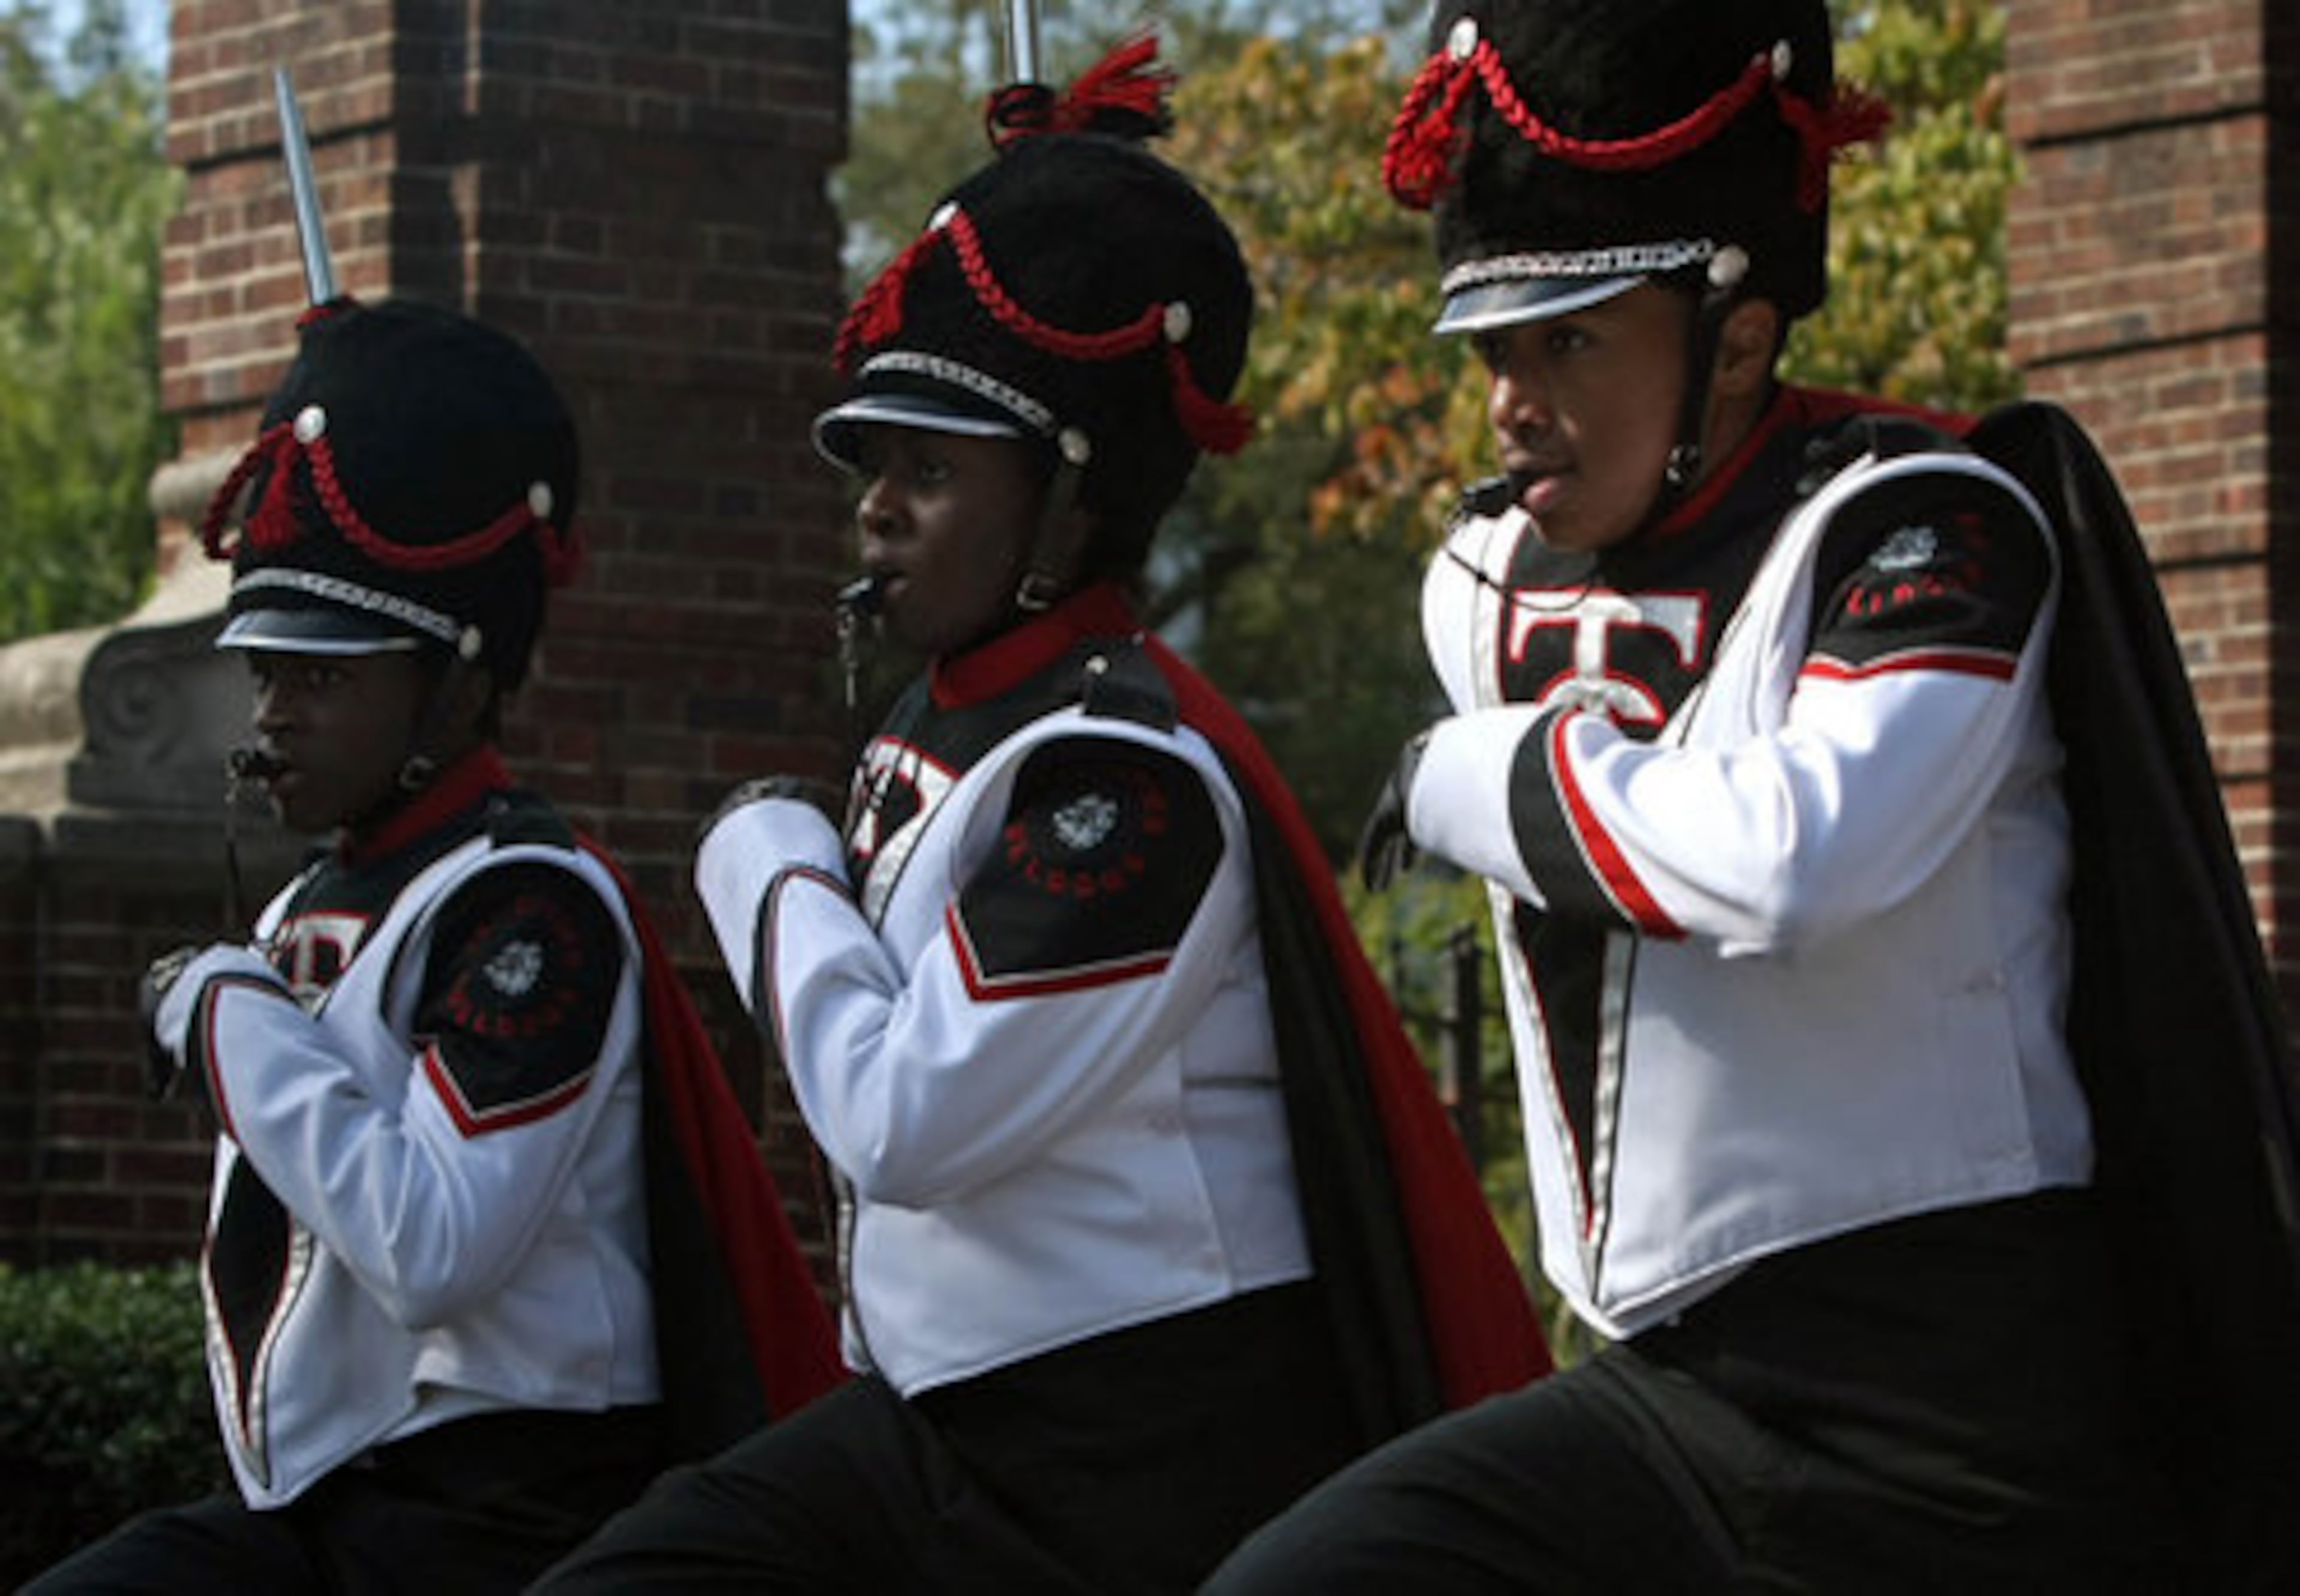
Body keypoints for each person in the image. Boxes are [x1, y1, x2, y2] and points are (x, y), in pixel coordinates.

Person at [1206, 1, 2300, 1591]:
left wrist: (1472, 774)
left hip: (1968, 1424)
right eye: (1498, 347)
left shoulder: (1934, 522)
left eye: (1569, 338)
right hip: (1667, 1393)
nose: (1512, 399)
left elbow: (1795, 857)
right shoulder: (1483, 577)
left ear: (1736, 335)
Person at [534, 36, 1546, 1596]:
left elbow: (905, 1117)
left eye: (928, 468)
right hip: (947, 1425)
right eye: (871, 460)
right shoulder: (957, 717)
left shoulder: (1117, 773)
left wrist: (763, 858)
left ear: (1069, 501)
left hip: (1130, 1457)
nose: (874, 503)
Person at [28, 296, 842, 1594]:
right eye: (268, 673)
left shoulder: (529, 907)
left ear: (457, 680)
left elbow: (431, 1242)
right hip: (335, 1509)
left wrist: (224, 1011)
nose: (276, 713)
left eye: (327, 676)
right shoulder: (308, 899)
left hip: (503, 1521)